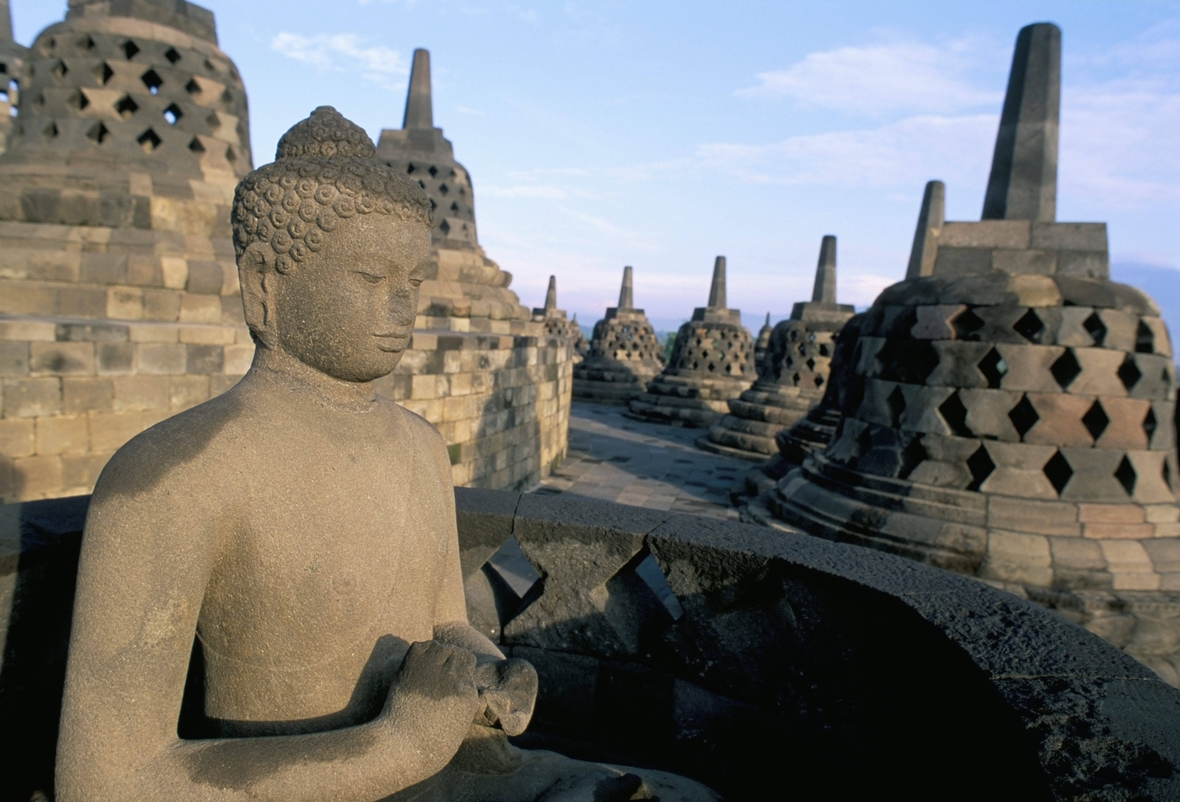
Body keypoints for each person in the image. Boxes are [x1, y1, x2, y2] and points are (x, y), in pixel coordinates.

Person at [55, 107, 715, 802]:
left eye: (414, 283)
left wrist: (489, 676)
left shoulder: (421, 447)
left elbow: (445, 625)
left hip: (453, 771)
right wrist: (394, 748)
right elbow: (104, 780)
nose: (402, 309)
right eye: (371, 280)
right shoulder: (171, 477)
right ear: (265, 286)